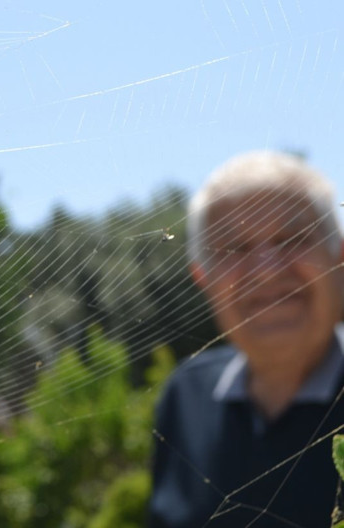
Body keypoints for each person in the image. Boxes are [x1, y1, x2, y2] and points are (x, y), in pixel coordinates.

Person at [148, 151, 344, 527]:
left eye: (291, 238)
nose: (267, 271)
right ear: (202, 278)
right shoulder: (184, 396)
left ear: (339, 255)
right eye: (234, 248)